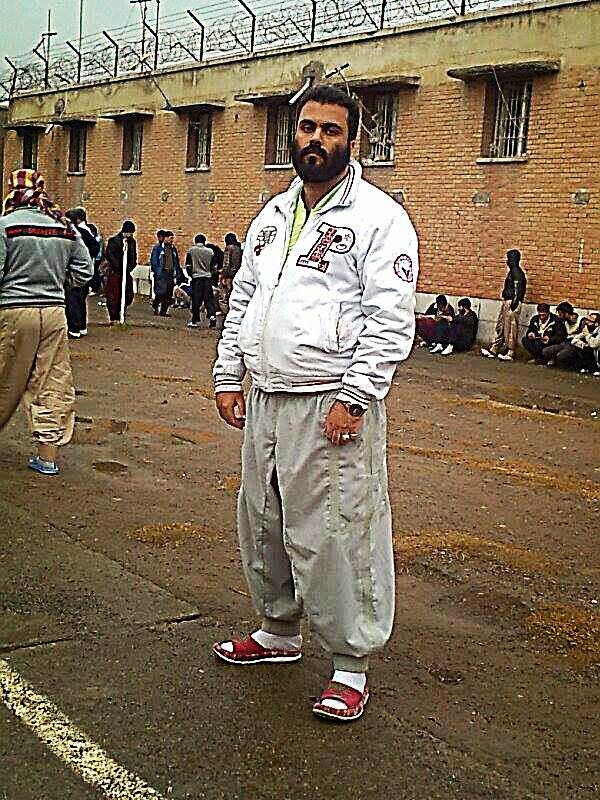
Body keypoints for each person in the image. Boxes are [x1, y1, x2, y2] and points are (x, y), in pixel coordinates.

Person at [212, 84, 418, 723]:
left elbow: (390, 318)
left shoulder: (378, 218)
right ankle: (278, 630)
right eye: (307, 128)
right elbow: (245, 297)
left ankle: (350, 663)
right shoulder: (274, 215)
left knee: (338, 530)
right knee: (263, 518)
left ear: (353, 140)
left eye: (331, 130)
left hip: (330, 401)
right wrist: (228, 372)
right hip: (267, 396)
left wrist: (356, 396)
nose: (316, 140)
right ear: (292, 133)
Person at [0, 169, 93, 475]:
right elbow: (85, 270)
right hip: (54, 313)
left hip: (14, 312)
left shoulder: (6, 225)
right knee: (53, 382)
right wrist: (56, 284)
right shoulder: (64, 226)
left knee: (5, 380)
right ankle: (47, 456)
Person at [481, 249, 527, 361]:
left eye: (509, 259)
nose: (507, 261)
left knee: (511, 328)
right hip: (508, 301)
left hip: (512, 302)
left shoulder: (517, 272)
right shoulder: (512, 272)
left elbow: (518, 290)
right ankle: (495, 348)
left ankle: (510, 352)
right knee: (501, 326)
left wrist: (513, 304)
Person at [64, 207, 100, 338]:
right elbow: (96, 248)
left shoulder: (72, 233)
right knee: (81, 300)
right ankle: (82, 326)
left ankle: (74, 329)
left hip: (73, 271)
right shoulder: (86, 232)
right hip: (85, 272)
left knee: (72, 300)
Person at [105, 220, 137, 324]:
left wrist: (130, 267)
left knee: (128, 295)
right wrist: (119, 267)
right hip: (116, 272)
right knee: (113, 296)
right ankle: (114, 316)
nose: (131, 235)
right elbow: (110, 255)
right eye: (129, 232)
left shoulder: (132, 242)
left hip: (126, 273)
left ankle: (121, 311)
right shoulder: (114, 241)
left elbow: (133, 256)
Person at [185, 233, 216, 328]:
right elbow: (214, 266)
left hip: (196, 278)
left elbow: (188, 266)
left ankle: (195, 320)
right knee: (209, 298)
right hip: (207, 278)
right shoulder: (210, 251)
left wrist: (191, 275)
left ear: (195, 241)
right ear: (204, 241)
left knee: (196, 300)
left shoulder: (191, 251)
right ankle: (212, 316)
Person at [150, 230, 183, 317]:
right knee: (160, 292)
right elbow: (154, 261)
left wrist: (177, 273)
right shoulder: (158, 248)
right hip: (161, 273)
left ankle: (163, 311)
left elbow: (176, 262)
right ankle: (155, 304)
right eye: (171, 238)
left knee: (168, 293)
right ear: (166, 238)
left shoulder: (173, 249)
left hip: (170, 274)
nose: (172, 240)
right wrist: (157, 272)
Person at [221, 232, 243, 306]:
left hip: (229, 274)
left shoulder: (228, 248)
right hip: (238, 273)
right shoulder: (239, 249)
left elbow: (226, 264)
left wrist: (223, 276)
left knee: (227, 292)